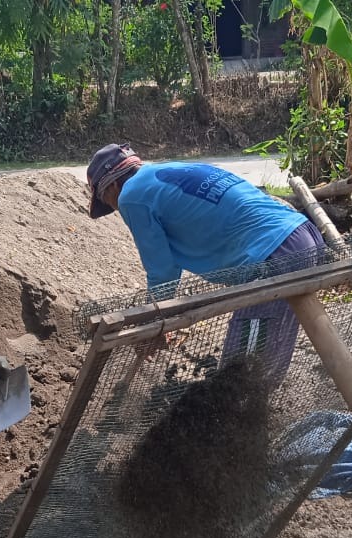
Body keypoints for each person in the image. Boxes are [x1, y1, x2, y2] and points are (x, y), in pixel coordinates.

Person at [85, 143, 328, 382]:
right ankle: (260, 414)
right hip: (303, 235)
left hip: (273, 255)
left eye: (108, 203)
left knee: (241, 372)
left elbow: (162, 271)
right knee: (267, 355)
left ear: (113, 185)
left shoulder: (131, 195)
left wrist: (152, 321)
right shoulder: (168, 172)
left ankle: (239, 416)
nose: (115, 209)